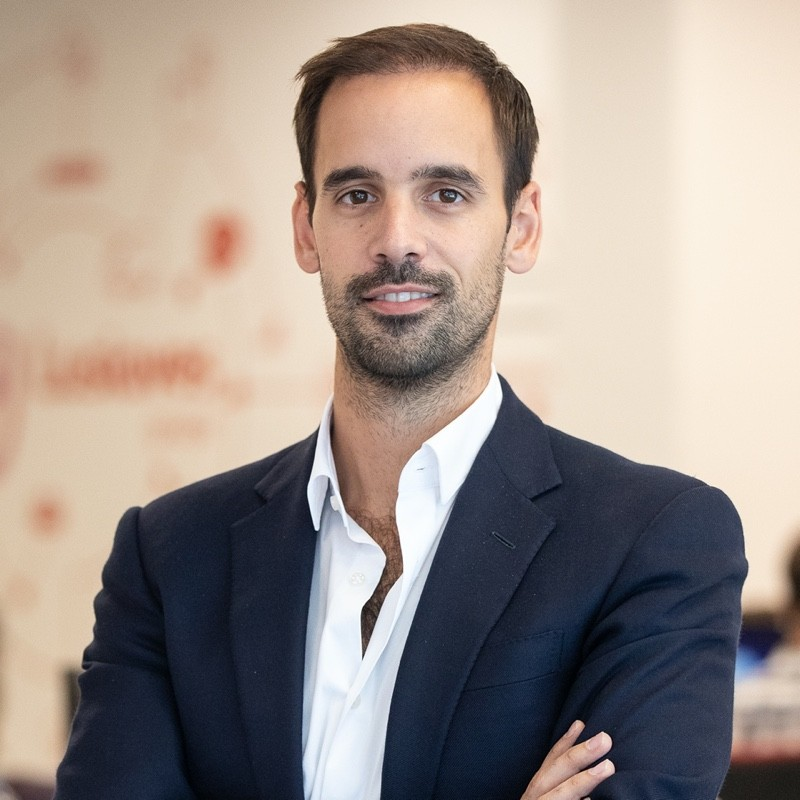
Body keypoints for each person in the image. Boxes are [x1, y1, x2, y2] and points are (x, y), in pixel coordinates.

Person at [53, 23, 747, 800]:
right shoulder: (169, 557)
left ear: (521, 226)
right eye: (357, 195)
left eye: (445, 194)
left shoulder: (653, 542)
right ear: (305, 227)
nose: (397, 240)